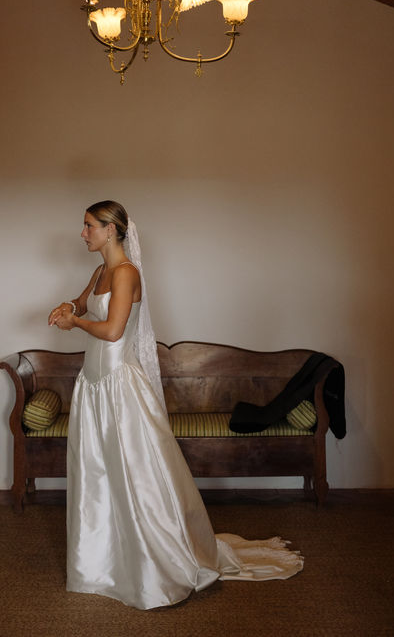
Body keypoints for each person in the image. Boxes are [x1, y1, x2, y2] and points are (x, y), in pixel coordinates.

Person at [48, 200, 303, 610]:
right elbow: (84, 304)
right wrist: (69, 308)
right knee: (99, 474)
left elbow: (113, 332)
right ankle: (103, 562)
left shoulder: (127, 273)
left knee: (135, 475)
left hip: (118, 386)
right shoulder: (100, 272)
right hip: (93, 386)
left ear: (111, 230)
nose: (83, 234)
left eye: (88, 226)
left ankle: (154, 563)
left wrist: (75, 323)